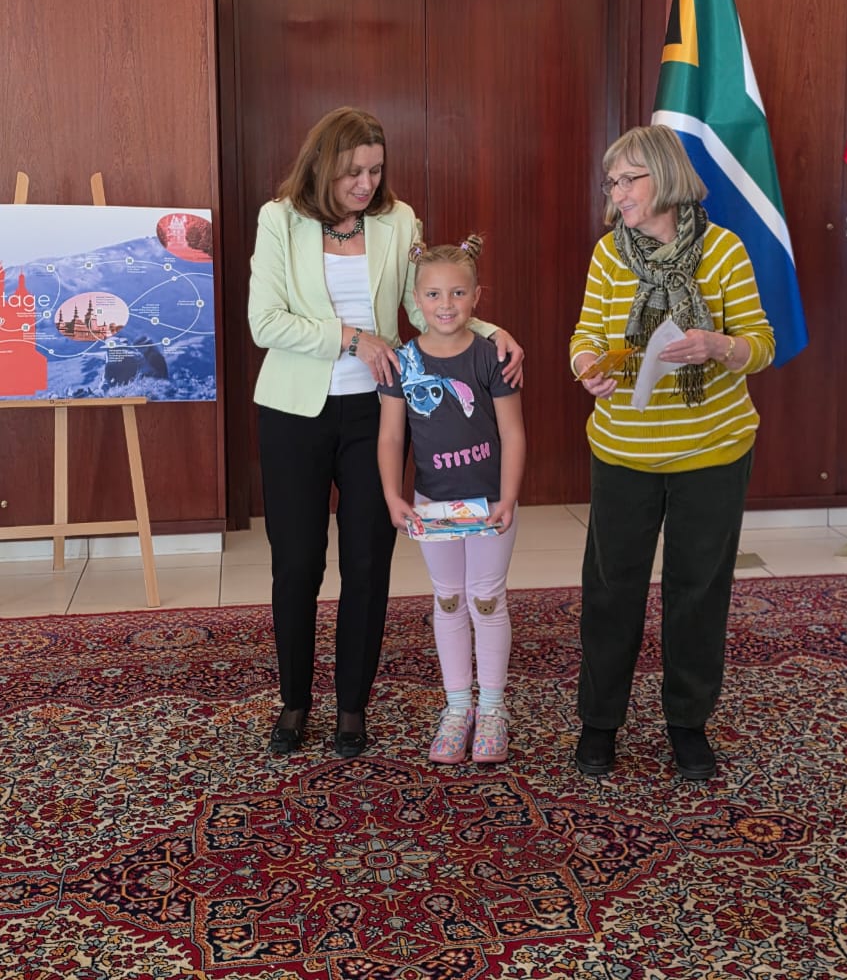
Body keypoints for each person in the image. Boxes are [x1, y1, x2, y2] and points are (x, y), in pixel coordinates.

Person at [248, 107, 523, 758]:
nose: (366, 184)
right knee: (297, 563)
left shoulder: (398, 222)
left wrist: (493, 332)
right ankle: (294, 701)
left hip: (378, 412)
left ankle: (352, 705)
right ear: (321, 165)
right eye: (352, 172)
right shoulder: (279, 219)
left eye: (375, 170)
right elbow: (266, 322)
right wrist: (353, 338)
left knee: (368, 563)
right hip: (293, 412)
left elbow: (426, 306)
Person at [569, 125, 775, 780]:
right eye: (611, 182)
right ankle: (600, 722)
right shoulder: (609, 255)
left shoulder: (724, 250)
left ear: (666, 176)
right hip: (623, 452)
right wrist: (586, 367)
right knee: (611, 593)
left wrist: (718, 346)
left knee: (697, 594)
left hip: (712, 452)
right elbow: (584, 336)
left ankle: (688, 723)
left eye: (628, 179)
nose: (617, 193)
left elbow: (761, 344)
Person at [378, 236, 526, 765]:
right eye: (434, 294)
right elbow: (391, 435)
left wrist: (509, 497)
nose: (446, 305)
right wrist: (392, 494)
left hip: (490, 504)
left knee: (486, 598)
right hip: (432, 504)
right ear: (415, 300)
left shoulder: (492, 357)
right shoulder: (402, 362)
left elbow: (513, 433)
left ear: (476, 297)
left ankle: (492, 709)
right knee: (447, 599)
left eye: (458, 293)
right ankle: (458, 706)